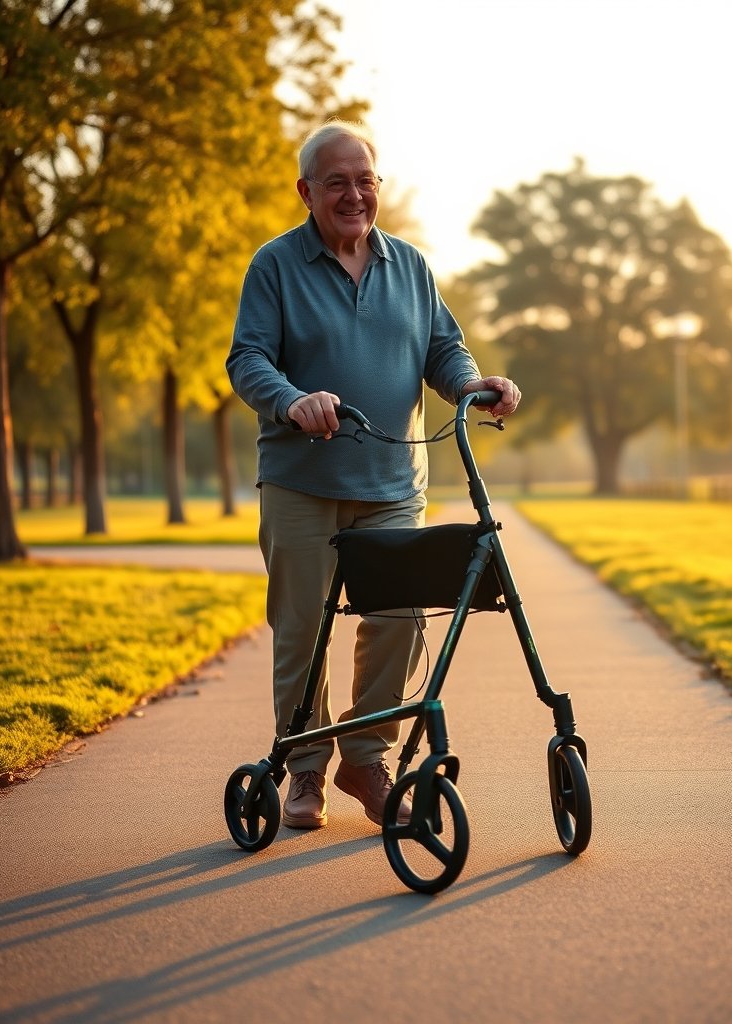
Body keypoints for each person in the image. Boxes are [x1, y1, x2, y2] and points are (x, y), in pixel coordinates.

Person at [226, 119, 520, 831]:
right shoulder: (275, 266)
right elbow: (248, 360)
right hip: (301, 484)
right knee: (303, 632)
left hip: (392, 484)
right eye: (337, 182)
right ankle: (303, 772)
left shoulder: (409, 267)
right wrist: (294, 401)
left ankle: (366, 758)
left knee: (398, 622)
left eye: (365, 181)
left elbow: (442, 348)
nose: (354, 195)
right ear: (306, 192)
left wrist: (474, 384)